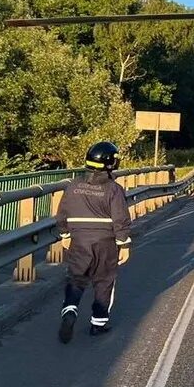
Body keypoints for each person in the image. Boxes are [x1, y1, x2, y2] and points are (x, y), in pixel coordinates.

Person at [55, 141, 131, 343]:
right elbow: (120, 218)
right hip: (105, 243)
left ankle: (70, 309)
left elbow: (62, 214)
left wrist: (65, 235)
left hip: (79, 241)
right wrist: (123, 243)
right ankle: (98, 324)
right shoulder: (113, 189)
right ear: (110, 164)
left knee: (76, 279)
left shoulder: (72, 186)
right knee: (104, 281)